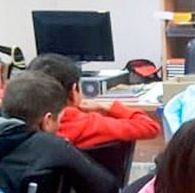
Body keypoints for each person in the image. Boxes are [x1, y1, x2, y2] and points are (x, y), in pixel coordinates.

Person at [27, 53, 161, 147]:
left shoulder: (21, 127)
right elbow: (150, 127)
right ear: (74, 91)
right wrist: (106, 107)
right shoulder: (90, 124)